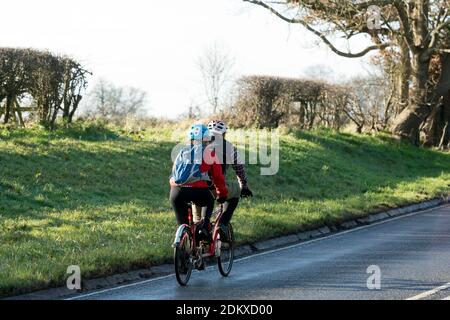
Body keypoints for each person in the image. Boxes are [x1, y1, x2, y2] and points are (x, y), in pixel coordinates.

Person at [193, 120, 253, 241]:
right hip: (215, 187)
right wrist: (244, 186)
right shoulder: (229, 147)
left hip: (194, 186)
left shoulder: (198, 145)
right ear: (224, 133)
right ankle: (223, 224)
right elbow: (239, 168)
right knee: (235, 192)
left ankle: (194, 248)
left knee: (197, 222)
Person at [169, 123, 228, 243]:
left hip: (177, 192)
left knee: (183, 224)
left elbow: (174, 174)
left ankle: (184, 247)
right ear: (206, 138)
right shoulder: (209, 152)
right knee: (209, 201)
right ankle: (204, 228)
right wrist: (221, 193)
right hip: (198, 191)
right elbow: (218, 177)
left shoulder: (181, 152)